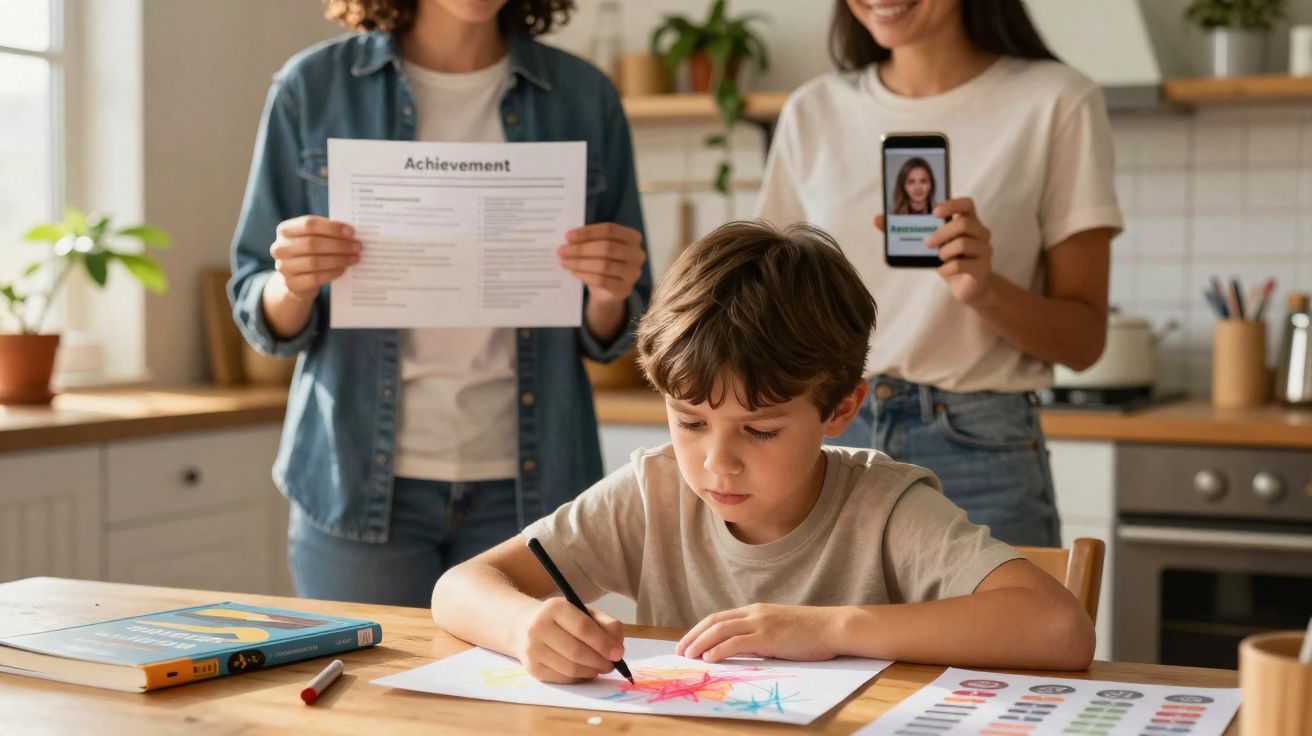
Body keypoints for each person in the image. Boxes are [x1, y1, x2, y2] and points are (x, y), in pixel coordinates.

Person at [431, 220, 1095, 683]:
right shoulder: (652, 493)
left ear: (841, 408)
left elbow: (1059, 630)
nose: (718, 462)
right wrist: (525, 627)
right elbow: (459, 588)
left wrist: (833, 630)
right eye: (690, 422)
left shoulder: (885, 507)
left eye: (761, 429)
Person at [228, 0, 650, 607]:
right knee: (370, 698)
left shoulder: (584, 96)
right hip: (356, 483)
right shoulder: (311, 87)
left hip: (532, 489)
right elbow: (257, 305)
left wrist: (608, 292)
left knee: (524, 700)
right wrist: (293, 282)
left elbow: (617, 327)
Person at [754, 0, 1124, 546]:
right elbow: (765, 303)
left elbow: (1083, 342)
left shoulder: (1057, 102)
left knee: (1002, 634)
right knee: (822, 635)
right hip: (827, 434)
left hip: (980, 444)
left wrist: (985, 289)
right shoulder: (813, 110)